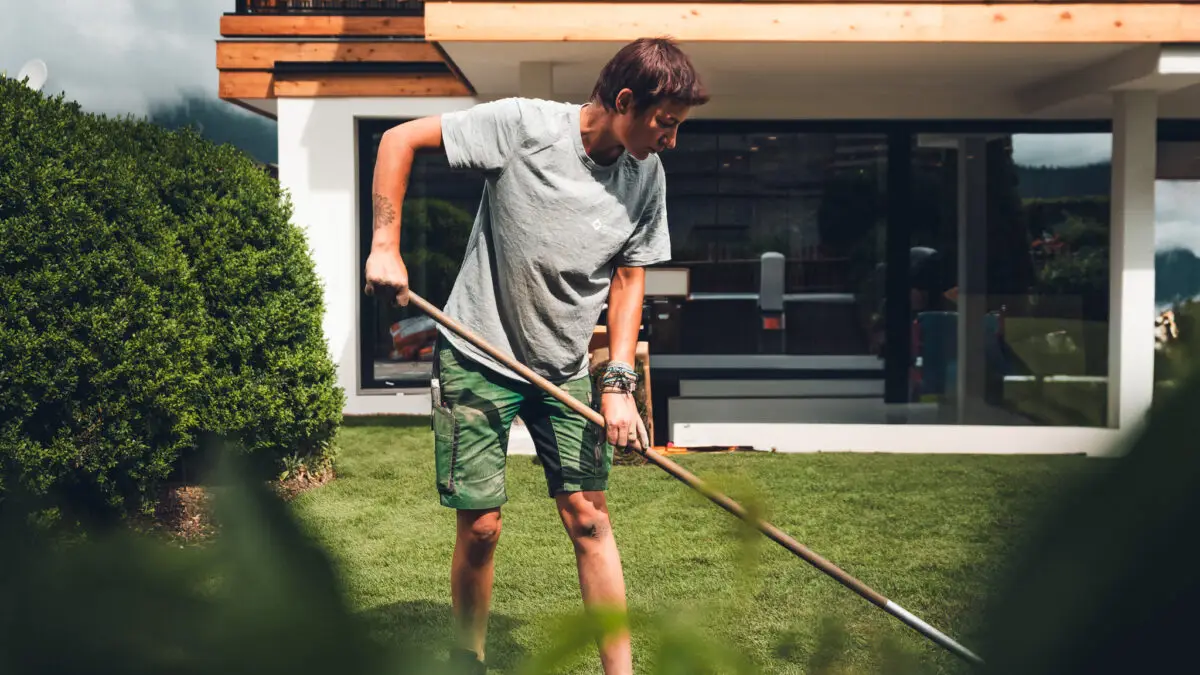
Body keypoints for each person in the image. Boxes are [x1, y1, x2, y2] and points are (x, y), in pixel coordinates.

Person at [363, 37, 709, 675]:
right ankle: (466, 658)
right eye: (666, 123)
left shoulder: (647, 176)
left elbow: (630, 280)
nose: (672, 140)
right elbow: (396, 140)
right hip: (476, 352)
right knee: (483, 527)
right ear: (625, 100)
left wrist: (617, 384)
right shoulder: (523, 127)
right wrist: (386, 244)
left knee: (589, 520)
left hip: (566, 366)